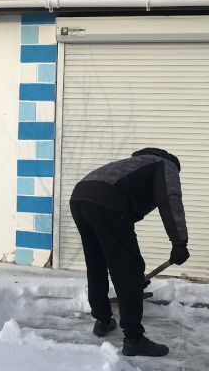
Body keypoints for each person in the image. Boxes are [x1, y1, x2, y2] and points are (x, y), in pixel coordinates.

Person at [69, 147, 189, 357]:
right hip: (107, 202)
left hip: (80, 197)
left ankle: (103, 320)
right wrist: (179, 242)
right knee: (129, 269)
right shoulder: (166, 165)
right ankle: (134, 339)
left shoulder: (131, 165)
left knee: (96, 262)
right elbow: (171, 200)